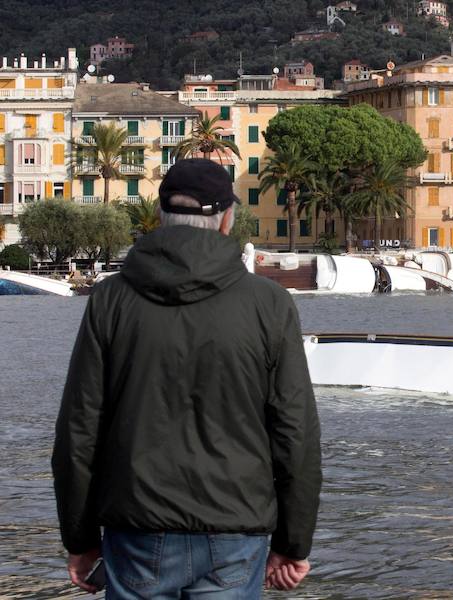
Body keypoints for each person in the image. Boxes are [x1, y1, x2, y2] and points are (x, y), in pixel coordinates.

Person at [52, 158, 322, 598]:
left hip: (136, 530)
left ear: (159, 214)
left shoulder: (110, 299)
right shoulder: (269, 303)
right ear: (226, 221)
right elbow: (295, 433)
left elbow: (79, 431)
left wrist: (79, 541)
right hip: (235, 529)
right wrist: (293, 544)